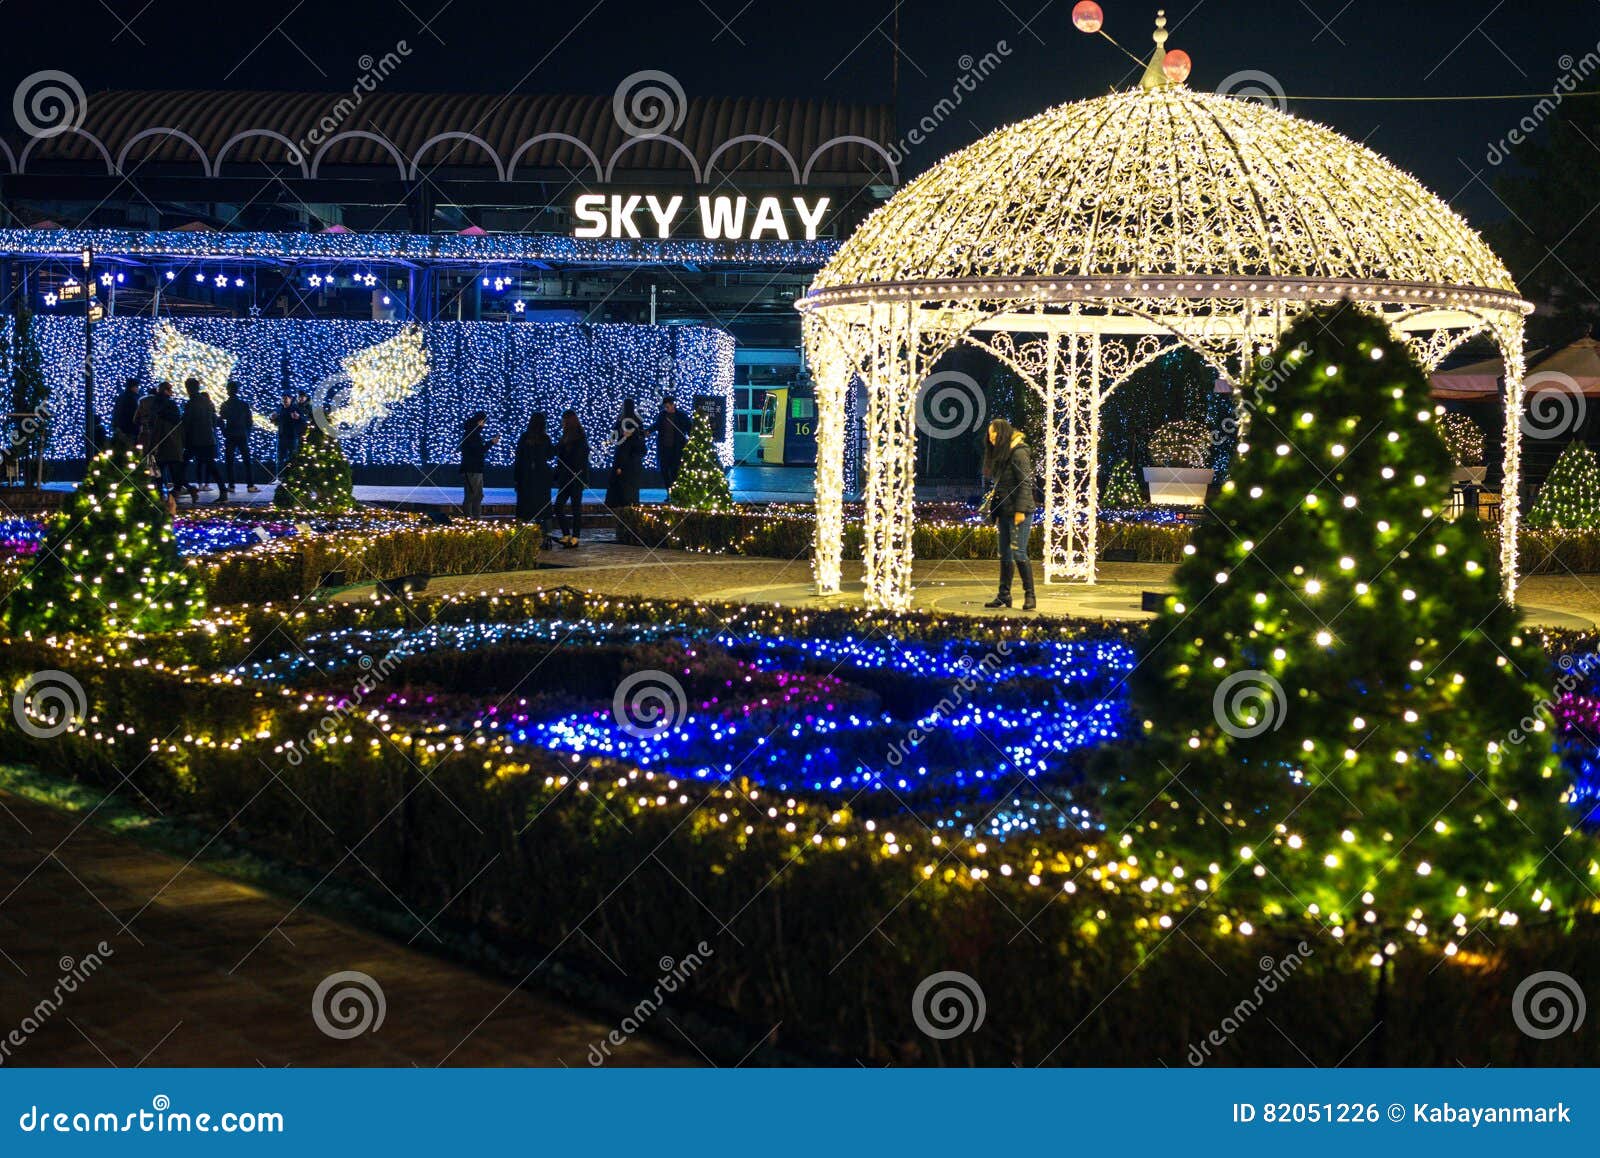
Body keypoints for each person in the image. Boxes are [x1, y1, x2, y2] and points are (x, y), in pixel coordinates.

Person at [984, 418, 1037, 612]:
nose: (991, 438)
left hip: (1019, 512)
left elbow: (1025, 484)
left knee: (1019, 552)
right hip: (1005, 510)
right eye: (989, 434)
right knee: (1005, 553)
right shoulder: (1002, 453)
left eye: (994, 434)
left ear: (1003, 433)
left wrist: (1020, 511)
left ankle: (1030, 595)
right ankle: (1004, 595)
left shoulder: (1019, 452)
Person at [140, 381, 185, 512]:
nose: (172, 392)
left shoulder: (152, 404)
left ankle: (160, 490)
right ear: (165, 390)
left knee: (156, 467)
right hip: (169, 440)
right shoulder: (170, 404)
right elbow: (177, 419)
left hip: (156, 440)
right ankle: (173, 493)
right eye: (170, 389)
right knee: (172, 466)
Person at [514, 411, 556, 544]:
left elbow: (518, 458)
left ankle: (522, 537)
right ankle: (547, 537)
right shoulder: (545, 438)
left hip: (526, 476)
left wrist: (516, 478)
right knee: (544, 507)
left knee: (524, 507)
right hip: (542, 476)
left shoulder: (525, 437)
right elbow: (550, 455)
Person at [182, 379, 226, 500]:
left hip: (194, 440)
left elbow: (187, 422)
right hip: (207, 439)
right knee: (211, 466)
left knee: (181, 465)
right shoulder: (207, 402)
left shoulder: (191, 403)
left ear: (188, 388)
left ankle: (185, 489)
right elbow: (214, 420)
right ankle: (223, 491)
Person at [553, 409, 588, 548]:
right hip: (566, 477)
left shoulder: (579, 438)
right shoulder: (565, 437)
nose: (561, 423)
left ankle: (575, 537)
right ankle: (567, 534)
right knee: (559, 506)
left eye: (563, 420)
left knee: (575, 508)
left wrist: (583, 478)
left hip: (575, 477)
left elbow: (582, 460)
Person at [219, 380, 259, 494]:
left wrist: (224, 432)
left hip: (230, 435)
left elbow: (221, 420)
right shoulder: (244, 404)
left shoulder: (225, 405)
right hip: (242, 435)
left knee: (229, 461)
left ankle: (231, 485)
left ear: (228, 391)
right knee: (247, 460)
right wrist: (247, 433)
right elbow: (249, 421)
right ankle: (250, 485)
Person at [604, 398, 646, 507]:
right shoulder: (637, 421)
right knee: (631, 487)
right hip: (634, 461)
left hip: (623, 459)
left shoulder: (621, 420)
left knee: (621, 486)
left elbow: (617, 439)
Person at [459, 410, 498, 518]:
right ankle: (470, 519)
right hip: (471, 469)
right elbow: (478, 450)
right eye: (484, 422)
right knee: (472, 495)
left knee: (478, 495)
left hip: (475, 469)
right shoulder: (472, 434)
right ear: (479, 421)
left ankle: (475, 518)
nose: (484, 425)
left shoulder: (473, 433)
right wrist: (491, 443)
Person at [652, 395, 691, 491]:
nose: (666, 409)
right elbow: (656, 425)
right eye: (665, 407)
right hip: (664, 448)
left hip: (676, 449)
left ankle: (675, 492)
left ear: (673, 405)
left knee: (675, 471)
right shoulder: (662, 415)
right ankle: (669, 492)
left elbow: (689, 428)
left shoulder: (682, 415)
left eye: (667, 406)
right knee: (664, 471)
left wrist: (691, 438)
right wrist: (648, 431)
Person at [272, 392, 302, 476]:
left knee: (293, 458)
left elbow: (303, 420)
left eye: (286, 398)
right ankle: (279, 478)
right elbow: (276, 422)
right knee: (280, 459)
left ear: (290, 399)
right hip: (281, 437)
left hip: (292, 437)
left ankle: (293, 477)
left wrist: (298, 417)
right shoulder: (279, 409)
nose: (284, 400)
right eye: (283, 398)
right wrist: (272, 418)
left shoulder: (295, 409)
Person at [110, 378, 142, 449]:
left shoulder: (120, 397)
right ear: (133, 387)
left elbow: (116, 413)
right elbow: (135, 414)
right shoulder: (134, 399)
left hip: (119, 429)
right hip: (130, 430)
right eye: (137, 387)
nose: (138, 389)